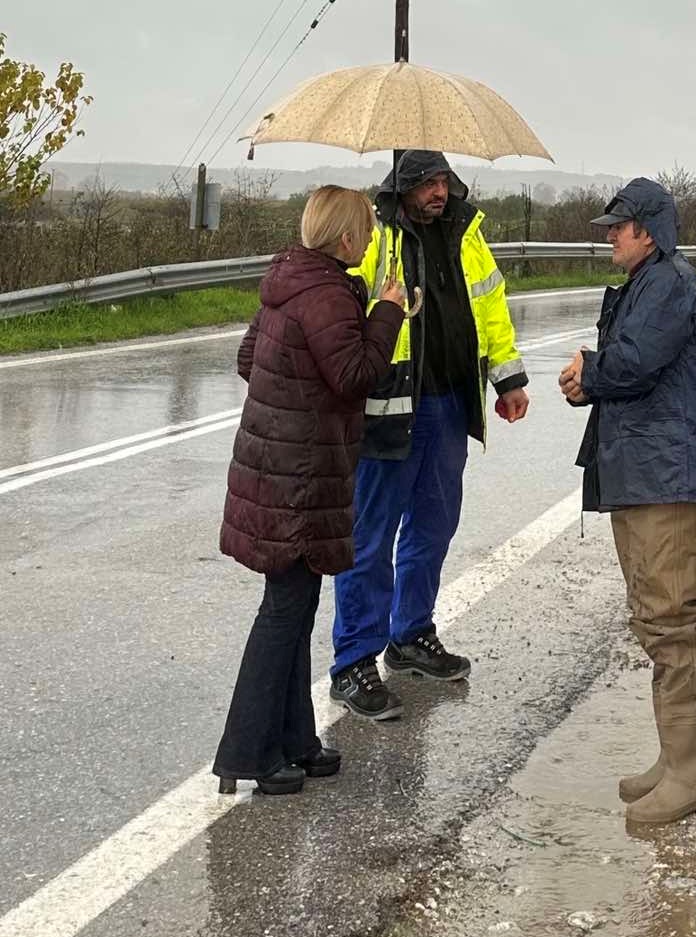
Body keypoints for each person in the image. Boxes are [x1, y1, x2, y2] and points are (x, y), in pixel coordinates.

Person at [213, 185, 410, 795]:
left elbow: (250, 358)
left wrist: (294, 396)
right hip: (299, 477)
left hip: (279, 466)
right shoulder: (326, 293)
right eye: (368, 230)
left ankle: (295, 741)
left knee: (295, 607)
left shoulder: (292, 280)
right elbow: (354, 375)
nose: (372, 240)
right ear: (346, 237)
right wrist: (388, 312)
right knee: (284, 613)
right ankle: (249, 754)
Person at [558, 178, 696, 824]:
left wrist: (591, 369)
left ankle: (692, 774)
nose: (610, 235)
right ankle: (676, 759)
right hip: (651, 476)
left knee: (671, 621)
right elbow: (629, 369)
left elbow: (635, 363)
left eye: (619, 226)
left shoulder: (668, 282)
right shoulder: (647, 283)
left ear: (649, 232)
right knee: (653, 617)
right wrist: (590, 380)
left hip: (674, 481)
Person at [329, 150, 530, 720]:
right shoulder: (377, 235)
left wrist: (508, 379)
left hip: (448, 405)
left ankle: (411, 635)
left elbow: (492, 308)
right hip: (389, 409)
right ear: (402, 186)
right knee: (370, 540)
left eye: (443, 181)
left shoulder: (467, 232)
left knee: (433, 527)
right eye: (425, 183)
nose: (438, 192)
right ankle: (353, 661)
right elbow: (340, 311)